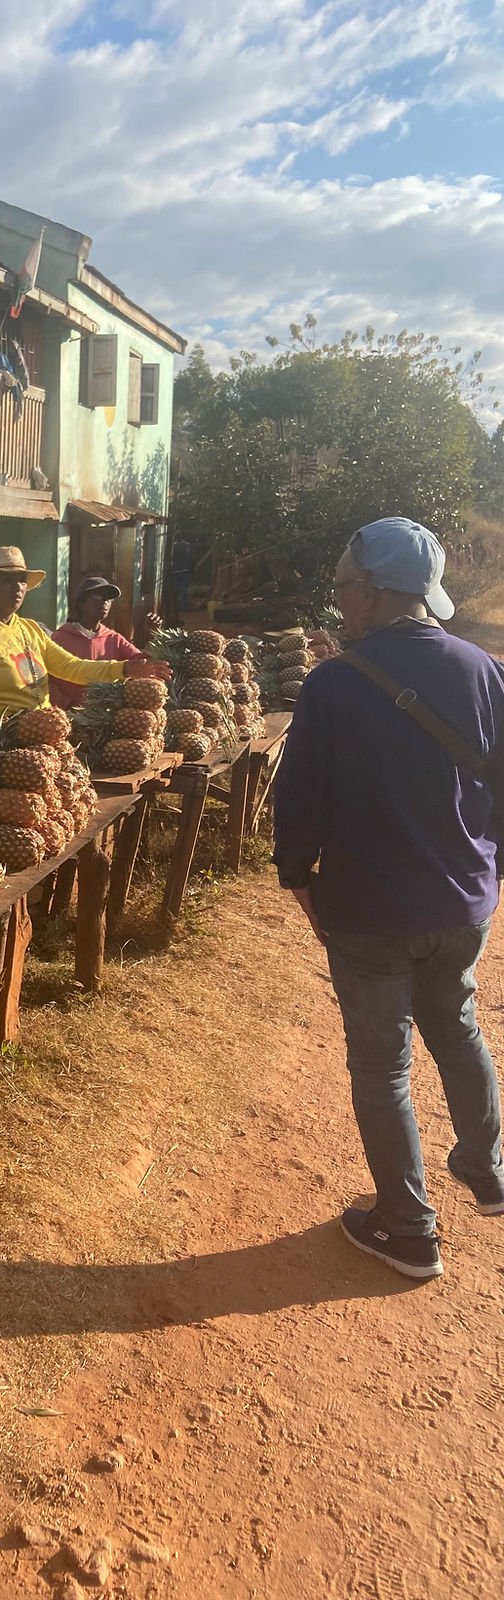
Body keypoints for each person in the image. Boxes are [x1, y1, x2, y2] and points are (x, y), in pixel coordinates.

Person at [272, 517, 504, 1280]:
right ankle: (488, 1168)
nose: (339, 603)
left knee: (383, 1070)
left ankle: (408, 1232)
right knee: (459, 1025)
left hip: (370, 911)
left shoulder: (336, 680)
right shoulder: (484, 668)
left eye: (343, 589)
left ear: (371, 593)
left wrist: (298, 880)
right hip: (461, 902)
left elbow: (298, 797)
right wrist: (485, 875)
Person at [0, 546, 170, 734]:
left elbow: (71, 667)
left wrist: (125, 669)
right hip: (3, 743)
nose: (17, 587)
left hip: (44, 735)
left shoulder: (30, 629)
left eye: (22, 581)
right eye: (7, 581)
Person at [48, 576, 143, 710]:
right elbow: (46, 678)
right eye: (98, 596)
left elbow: (140, 663)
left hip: (105, 715)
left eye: (108, 599)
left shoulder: (113, 638)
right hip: (68, 716)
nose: (105, 601)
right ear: (81, 604)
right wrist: (64, 703)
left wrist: (149, 632)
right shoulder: (61, 638)